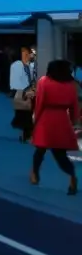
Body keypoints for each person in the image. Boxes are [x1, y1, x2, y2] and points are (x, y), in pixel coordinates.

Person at [30, 59, 79, 196]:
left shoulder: (44, 81)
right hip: (62, 120)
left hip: (46, 118)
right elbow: (74, 106)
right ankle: (72, 176)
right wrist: (73, 120)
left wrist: (36, 118)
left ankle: (35, 174)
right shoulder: (70, 85)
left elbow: (39, 103)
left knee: (40, 150)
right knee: (60, 155)